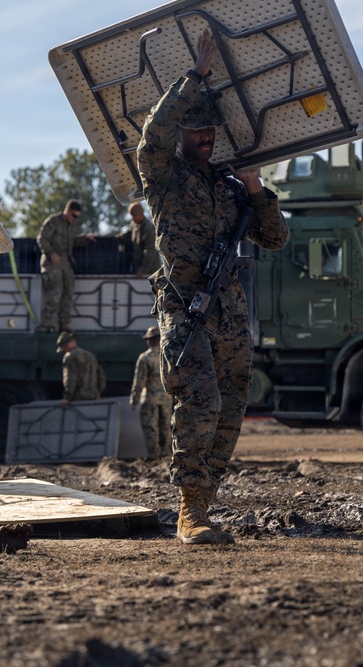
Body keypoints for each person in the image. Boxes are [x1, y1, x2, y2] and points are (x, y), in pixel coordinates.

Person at [136, 30, 289, 545]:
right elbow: (151, 136)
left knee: (229, 408)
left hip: (228, 309)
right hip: (184, 304)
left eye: (210, 130)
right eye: (196, 127)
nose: (205, 136)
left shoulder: (230, 189)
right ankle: (189, 511)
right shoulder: (162, 177)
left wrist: (254, 187)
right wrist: (195, 77)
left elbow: (275, 238)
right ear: (182, 131)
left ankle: (205, 501)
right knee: (197, 398)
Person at [37, 200, 96, 333]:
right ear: (67, 211)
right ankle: (47, 324)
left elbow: (72, 241)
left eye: (77, 217)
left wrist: (86, 238)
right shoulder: (53, 221)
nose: (75, 219)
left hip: (65, 263)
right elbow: (42, 239)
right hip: (52, 263)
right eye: (74, 215)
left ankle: (64, 324)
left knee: (68, 293)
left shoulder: (71, 225)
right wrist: (51, 254)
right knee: (54, 293)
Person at [129, 325, 173, 460]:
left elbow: (139, 382)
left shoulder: (145, 358)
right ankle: (166, 456)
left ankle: (154, 457)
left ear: (150, 340)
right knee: (166, 428)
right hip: (166, 399)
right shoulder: (168, 356)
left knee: (151, 429)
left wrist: (134, 400)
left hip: (150, 400)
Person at [57, 332, 106, 407]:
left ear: (67, 345)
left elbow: (70, 379)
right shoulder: (90, 355)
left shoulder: (69, 357)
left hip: (78, 398)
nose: (64, 351)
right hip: (94, 397)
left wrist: (67, 398)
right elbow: (101, 377)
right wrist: (97, 392)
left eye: (63, 348)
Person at [116, 202, 161, 279]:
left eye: (135, 216)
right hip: (138, 266)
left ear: (141, 214)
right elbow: (130, 232)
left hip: (151, 271)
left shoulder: (148, 229)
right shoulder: (135, 223)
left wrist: (142, 271)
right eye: (132, 216)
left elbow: (150, 252)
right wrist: (121, 236)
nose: (133, 219)